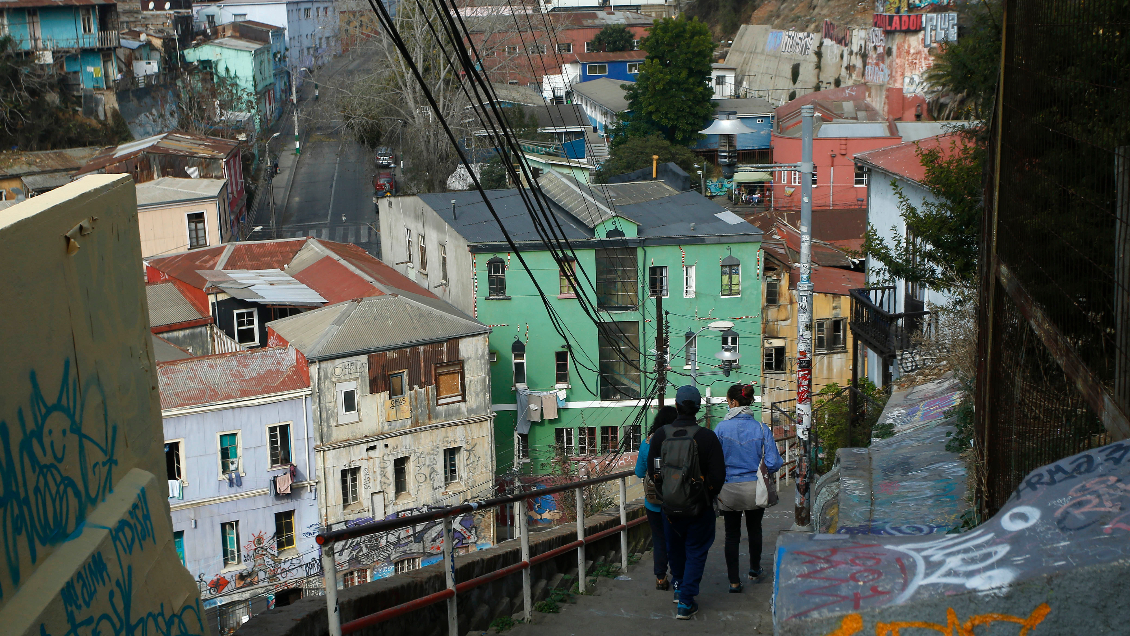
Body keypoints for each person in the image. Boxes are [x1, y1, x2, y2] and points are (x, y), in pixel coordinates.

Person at [647, 385, 726, 620]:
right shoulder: (707, 437)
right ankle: (686, 601)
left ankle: (680, 586)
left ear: (677, 406)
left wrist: (668, 492)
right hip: (699, 507)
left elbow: (654, 471)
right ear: (698, 408)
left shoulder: (661, 435)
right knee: (696, 550)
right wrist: (706, 495)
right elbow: (719, 474)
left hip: (669, 506)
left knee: (675, 547)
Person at [714, 384, 783, 592]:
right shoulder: (761, 428)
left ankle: (734, 582)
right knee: (755, 530)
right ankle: (754, 570)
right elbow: (774, 462)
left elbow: (713, 461)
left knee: (731, 534)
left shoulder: (720, 429)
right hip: (755, 488)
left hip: (728, 489)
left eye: (728, 402)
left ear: (733, 403)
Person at [634, 406, 678, 591]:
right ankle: (678, 578)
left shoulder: (647, 442)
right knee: (676, 539)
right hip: (676, 499)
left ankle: (660, 578)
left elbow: (638, 472)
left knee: (659, 539)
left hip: (653, 502)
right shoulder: (679, 440)